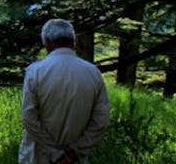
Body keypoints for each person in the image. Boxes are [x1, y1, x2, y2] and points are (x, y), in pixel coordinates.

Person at [19, 19, 110, 164]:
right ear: (73, 42)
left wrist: (54, 153)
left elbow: (29, 118)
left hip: (40, 157)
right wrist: (75, 150)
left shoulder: (35, 72)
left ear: (47, 42)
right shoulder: (93, 73)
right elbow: (101, 121)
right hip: (75, 159)